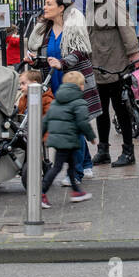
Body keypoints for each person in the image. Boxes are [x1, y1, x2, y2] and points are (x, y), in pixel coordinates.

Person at [25, 0, 100, 185]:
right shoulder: (45, 30)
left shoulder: (74, 26)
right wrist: (33, 62)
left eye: (49, 4)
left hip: (75, 82)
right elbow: (44, 59)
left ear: (61, 8)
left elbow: (81, 52)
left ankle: (75, 173)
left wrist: (63, 62)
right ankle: (86, 163)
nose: (45, 7)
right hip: (53, 82)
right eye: (45, 3)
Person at [84, 0, 139, 166]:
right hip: (98, 60)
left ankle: (128, 151)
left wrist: (134, 53)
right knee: (101, 109)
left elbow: (125, 25)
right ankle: (103, 149)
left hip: (115, 61)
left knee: (120, 107)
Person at [41, 70, 95, 207]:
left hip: (60, 140)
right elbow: (83, 123)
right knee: (57, 167)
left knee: (71, 165)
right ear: (80, 86)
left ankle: (76, 192)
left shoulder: (57, 100)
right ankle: (41, 192)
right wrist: (91, 137)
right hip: (68, 140)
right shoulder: (79, 102)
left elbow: (46, 119)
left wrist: (40, 134)